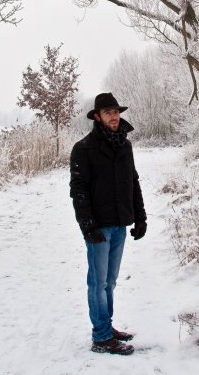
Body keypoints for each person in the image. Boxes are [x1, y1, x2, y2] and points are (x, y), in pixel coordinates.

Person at [69, 92, 147, 356]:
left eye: (116, 111)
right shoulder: (84, 148)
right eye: (108, 112)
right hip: (98, 227)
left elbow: (133, 182)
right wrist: (87, 225)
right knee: (97, 282)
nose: (114, 116)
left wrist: (140, 217)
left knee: (110, 281)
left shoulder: (125, 145)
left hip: (120, 224)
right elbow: (78, 190)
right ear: (97, 117)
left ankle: (107, 327)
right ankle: (100, 337)